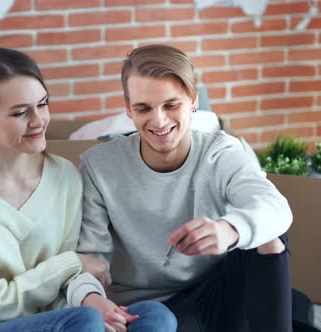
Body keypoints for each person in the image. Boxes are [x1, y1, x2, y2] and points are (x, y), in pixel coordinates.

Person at [0, 47, 176, 332]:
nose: (38, 121)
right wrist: (68, 266)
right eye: (20, 113)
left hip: (66, 320)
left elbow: (75, 274)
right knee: (84, 322)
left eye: (42, 105)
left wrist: (92, 298)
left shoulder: (64, 175)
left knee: (156, 316)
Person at [68, 44, 294, 332]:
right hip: (150, 310)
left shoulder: (220, 151)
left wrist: (230, 229)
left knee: (270, 237)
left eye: (171, 105)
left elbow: (275, 207)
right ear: (128, 109)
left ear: (193, 101)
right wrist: (91, 298)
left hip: (215, 290)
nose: (159, 120)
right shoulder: (98, 166)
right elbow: (89, 259)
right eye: (143, 108)